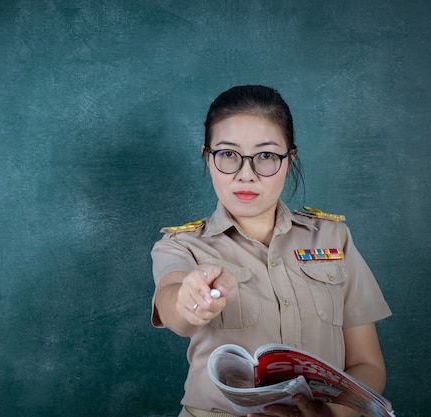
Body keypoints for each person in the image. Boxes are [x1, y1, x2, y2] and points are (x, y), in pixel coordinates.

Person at [150, 85, 391, 417]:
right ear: (207, 157)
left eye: (265, 155)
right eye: (228, 155)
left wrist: (332, 414)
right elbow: (173, 302)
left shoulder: (333, 238)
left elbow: (368, 363)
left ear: (289, 160)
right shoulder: (181, 245)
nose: (245, 174)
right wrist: (190, 301)